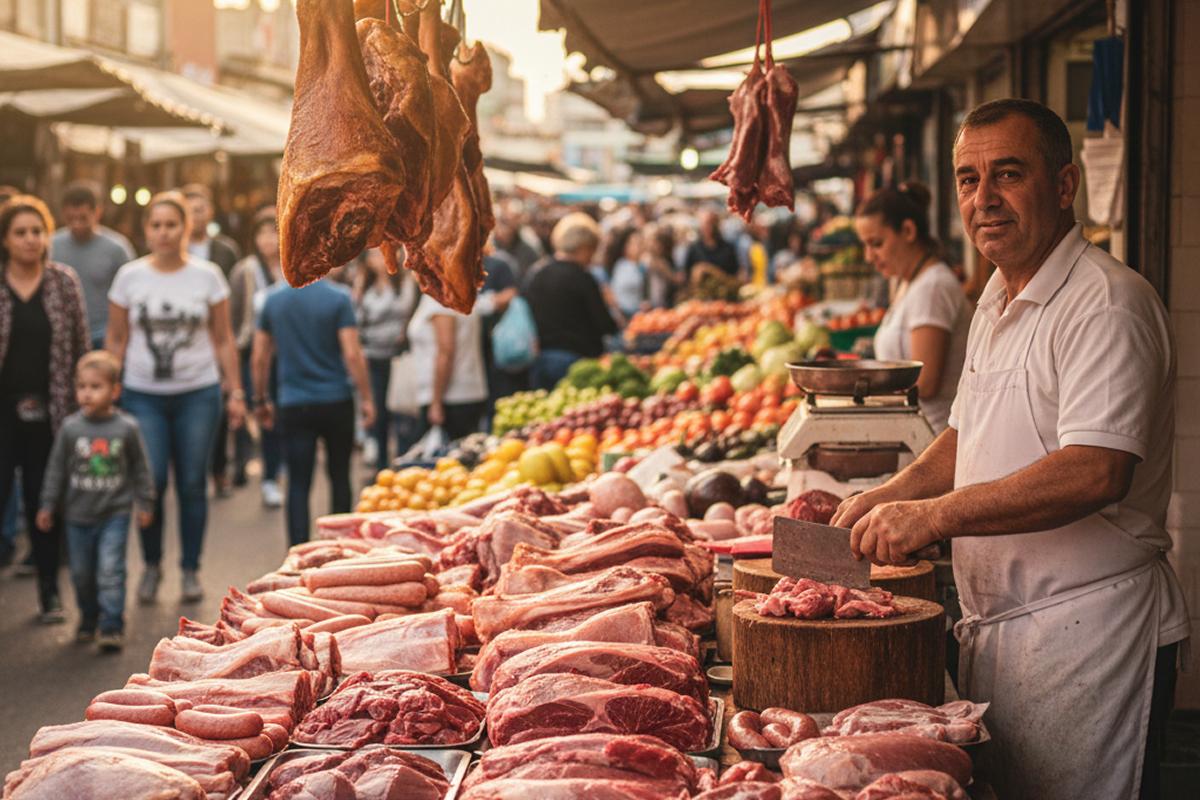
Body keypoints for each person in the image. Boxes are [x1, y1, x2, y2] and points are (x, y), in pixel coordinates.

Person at [831, 99, 1188, 799]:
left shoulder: (1107, 304)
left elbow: (1097, 470)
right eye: (968, 179)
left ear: (1062, 186)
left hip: (1091, 637)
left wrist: (936, 518)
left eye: (1008, 175)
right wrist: (891, 493)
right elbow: (965, 436)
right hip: (1007, 630)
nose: (984, 199)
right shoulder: (996, 295)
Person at [105, 191, 246, 604]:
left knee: (191, 482)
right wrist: (110, 388)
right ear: (146, 230)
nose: (164, 232)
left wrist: (235, 390)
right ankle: (151, 565)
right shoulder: (129, 277)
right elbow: (116, 337)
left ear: (186, 229)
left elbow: (223, 339)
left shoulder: (208, 277)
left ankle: (189, 569)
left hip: (198, 393)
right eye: (156, 225)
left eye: (172, 225)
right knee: (152, 482)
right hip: (142, 393)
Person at [0, 195, 90, 621]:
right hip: (3, 409)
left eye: (37, 231)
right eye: (20, 232)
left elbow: (80, 348)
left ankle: (50, 593)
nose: (30, 239)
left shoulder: (63, 282)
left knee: (44, 501)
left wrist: (83, 408)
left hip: (51, 410)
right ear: (5, 239)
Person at [37, 351, 154, 652]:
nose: (86, 393)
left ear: (115, 391)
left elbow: (141, 469)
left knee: (110, 568)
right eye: (82, 386)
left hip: (114, 513)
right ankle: (89, 617)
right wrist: (48, 505)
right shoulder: (70, 429)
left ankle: (112, 624)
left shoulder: (126, 428)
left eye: (95, 387)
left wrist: (145, 502)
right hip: (76, 516)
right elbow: (56, 469)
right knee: (81, 572)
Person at [252, 275, 374, 547]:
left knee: (298, 482)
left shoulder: (273, 300)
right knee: (340, 475)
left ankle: (298, 552)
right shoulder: (339, 297)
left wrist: (260, 399)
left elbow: (260, 357)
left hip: (294, 403)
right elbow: (352, 353)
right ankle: (340, 548)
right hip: (336, 400)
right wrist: (366, 397)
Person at [853, 183, 971, 433]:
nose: (868, 256)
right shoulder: (907, 282)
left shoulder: (933, 287)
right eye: (865, 245)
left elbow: (925, 384)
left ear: (908, 230)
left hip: (931, 438)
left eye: (876, 243)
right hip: (911, 433)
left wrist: (861, 385)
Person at [182, 184, 241, 497]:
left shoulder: (225, 250)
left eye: (200, 209)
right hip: (184, 336)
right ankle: (192, 471)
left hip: (218, 331)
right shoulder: (174, 252)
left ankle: (219, 469)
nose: (196, 216)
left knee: (216, 403)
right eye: (189, 210)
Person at [408, 284, 516, 442]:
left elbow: (446, 352)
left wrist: (436, 401)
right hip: (465, 393)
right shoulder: (460, 292)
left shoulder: (440, 298)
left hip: (450, 398)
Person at [228, 208, 285, 506]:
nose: (268, 240)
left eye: (273, 232)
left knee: (282, 412)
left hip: (287, 352)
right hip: (254, 352)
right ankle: (263, 472)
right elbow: (234, 318)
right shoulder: (245, 271)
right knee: (262, 410)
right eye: (262, 233)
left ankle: (275, 469)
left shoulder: (293, 266)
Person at [524, 213, 617, 390]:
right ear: (584, 248)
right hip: (576, 361)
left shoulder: (536, 273)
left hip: (540, 359)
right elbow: (605, 324)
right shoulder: (583, 278)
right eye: (592, 250)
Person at [354, 248, 417, 471]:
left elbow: (408, 311)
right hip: (373, 356)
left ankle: (403, 460)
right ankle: (381, 462)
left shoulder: (405, 282)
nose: (378, 259)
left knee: (401, 409)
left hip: (399, 356)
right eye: (373, 255)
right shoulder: (364, 285)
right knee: (379, 410)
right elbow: (358, 319)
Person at [51, 181, 132, 350]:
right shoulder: (51, 245)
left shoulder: (117, 248)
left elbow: (129, 293)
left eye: (83, 218)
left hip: (102, 334)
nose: (77, 224)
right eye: (70, 219)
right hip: (63, 333)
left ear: (97, 212)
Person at [604, 227, 648, 321]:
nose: (639, 246)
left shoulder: (641, 266)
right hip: (625, 315)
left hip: (637, 315)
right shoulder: (622, 266)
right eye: (635, 243)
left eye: (640, 242)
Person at [683, 209, 739, 279]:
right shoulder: (694, 248)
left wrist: (710, 270)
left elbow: (735, 274)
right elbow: (687, 274)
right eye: (704, 224)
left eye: (710, 223)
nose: (707, 228)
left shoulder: (728, 248)